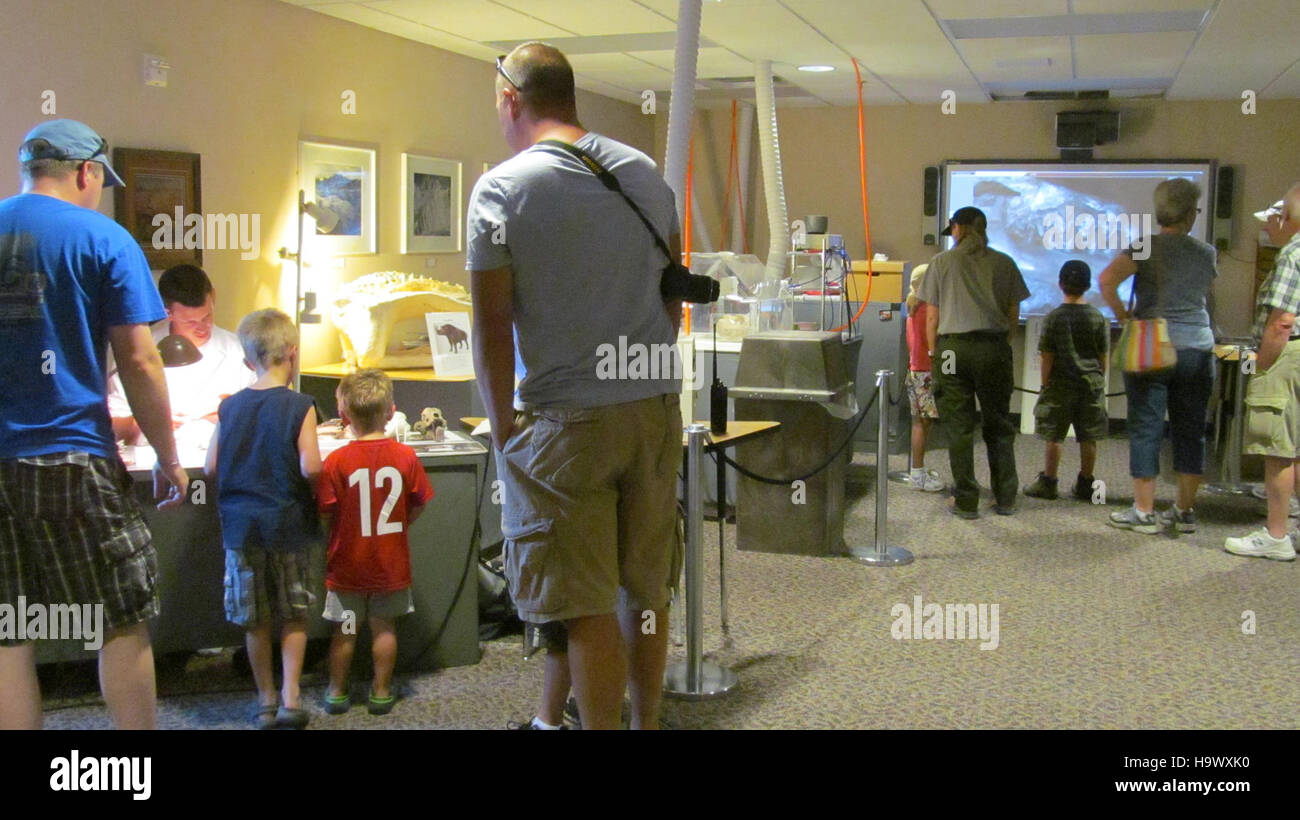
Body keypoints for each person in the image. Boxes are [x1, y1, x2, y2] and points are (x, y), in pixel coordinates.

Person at [467, 42, 683, 730]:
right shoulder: (645, 172)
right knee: (647, 591)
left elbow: (491, 329)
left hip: (566, 424)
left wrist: (504, 431)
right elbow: (671, 299)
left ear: (511, 99)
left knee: (584, 603)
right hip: (651, 408)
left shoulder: (502, 188)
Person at [0, 119, 189, 730]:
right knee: (120, 615)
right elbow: (139, 360)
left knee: (9, 631)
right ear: (86, 172)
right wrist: (168, 455)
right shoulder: (103, 239)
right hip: (73, 458)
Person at [204, 308, 321, 729]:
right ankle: (292, 697)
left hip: (241, 527)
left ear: (247, 359)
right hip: (287, 524)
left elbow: (210, 467)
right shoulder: (301, 405)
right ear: (292, 352)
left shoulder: (230, 407)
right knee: (293, 612)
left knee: (254, 617)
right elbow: (311, 467)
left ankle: (264, 700)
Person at [1100, 178, 1217, 535]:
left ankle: (1144, 511)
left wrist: (1124, 316)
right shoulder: (1206, 252)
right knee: (1191, 430)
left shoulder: (1144, 247)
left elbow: (1106, 281)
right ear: (1189, 214)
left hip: (1153, 347)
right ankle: (1183, 510)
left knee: (1146, 427)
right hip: (1197, 347)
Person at [318, 369, 433, 715]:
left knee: (346, 629)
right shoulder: (405, 457)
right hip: (389, 564)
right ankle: (381, 691)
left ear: (343, 415)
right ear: (391, 411)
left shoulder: (336, 461)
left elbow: (326, 511)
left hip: (348, 566)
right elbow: (419, 503)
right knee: (384, 628)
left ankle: (337, 691)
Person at [919, 206, 1030, 518]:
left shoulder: (941, 262)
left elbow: (932, 316)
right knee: (998, 423)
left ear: (958, 228)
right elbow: (1013, 314)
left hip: (953, 350)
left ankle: (966, 499)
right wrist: (1000, 344)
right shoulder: (1005, 262)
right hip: (993, 348)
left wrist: (933, 353)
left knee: (959, 424)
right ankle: (1005, 496)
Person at [1225, 183, 1300, 560]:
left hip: (1287, 358)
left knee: (1278, 451)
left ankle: (1276, 536)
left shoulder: (1292, 255)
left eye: (1271, 220)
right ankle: (1291, 526)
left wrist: (1263, 365)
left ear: (1285, 217)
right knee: (1296, 448)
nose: (1267, 229)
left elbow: (1281, 323)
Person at [108, 264, 254, 445]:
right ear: (167, 312)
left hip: (218, 460)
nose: (202, 328)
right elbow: (115, 426)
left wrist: (232, 413)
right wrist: (147, 422)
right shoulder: (140, 350)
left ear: (213, 297)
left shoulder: (238, 351)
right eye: (190, 322)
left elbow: (261, 417)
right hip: (151, 461)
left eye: (207, 317)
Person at [1023, 261, 1109, 501]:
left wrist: (1044, 383)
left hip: (1059, 383)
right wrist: (1098, 376)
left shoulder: (1053, 317)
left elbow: (1047, 355)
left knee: (1054, 435)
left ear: (1060, 284)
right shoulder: (1098, 317)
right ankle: (1086, 483)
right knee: (1089, 435)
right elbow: (1103, 355)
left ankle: (1049, 481)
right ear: (1088, 285)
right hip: (1090, 383)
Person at [903, 264, 945, 492]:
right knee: (923, 423)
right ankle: (917, 474)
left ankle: (917, 470)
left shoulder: (911, 307)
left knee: (919, 420)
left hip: (915, 369)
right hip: (926, 370)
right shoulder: (928, 308)